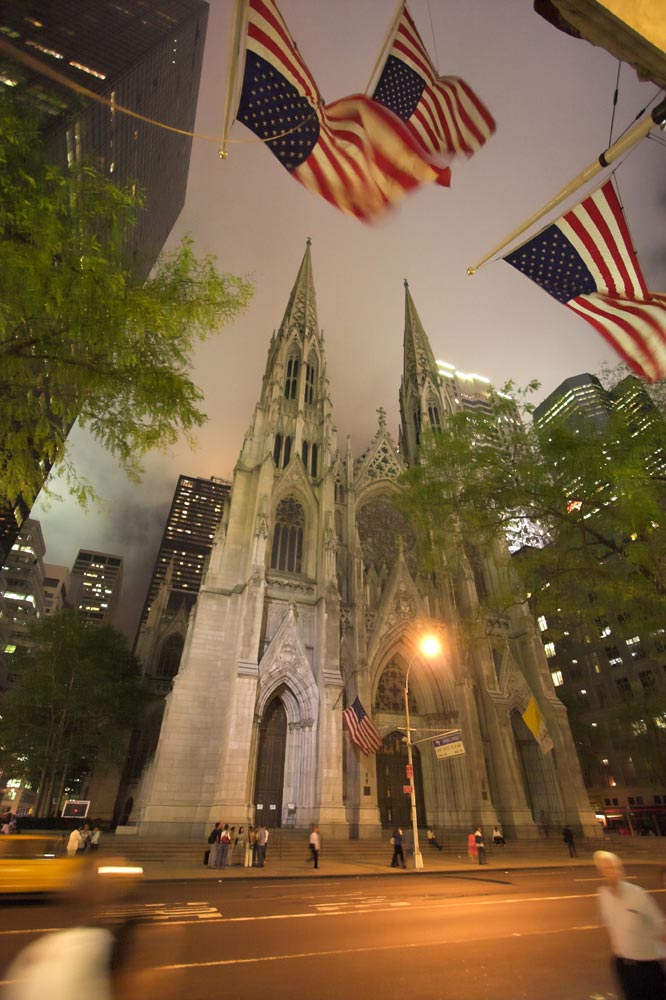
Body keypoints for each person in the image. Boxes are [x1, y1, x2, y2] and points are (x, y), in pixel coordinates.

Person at [594, 850, 666, 1000]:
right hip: (622, 964)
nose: (614, 872)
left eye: (617, 867)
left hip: (646, 964)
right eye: (609, 868)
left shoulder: (637, 894)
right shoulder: (603, 895)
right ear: (601, 872)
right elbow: (608, 923)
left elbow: (659, 925)